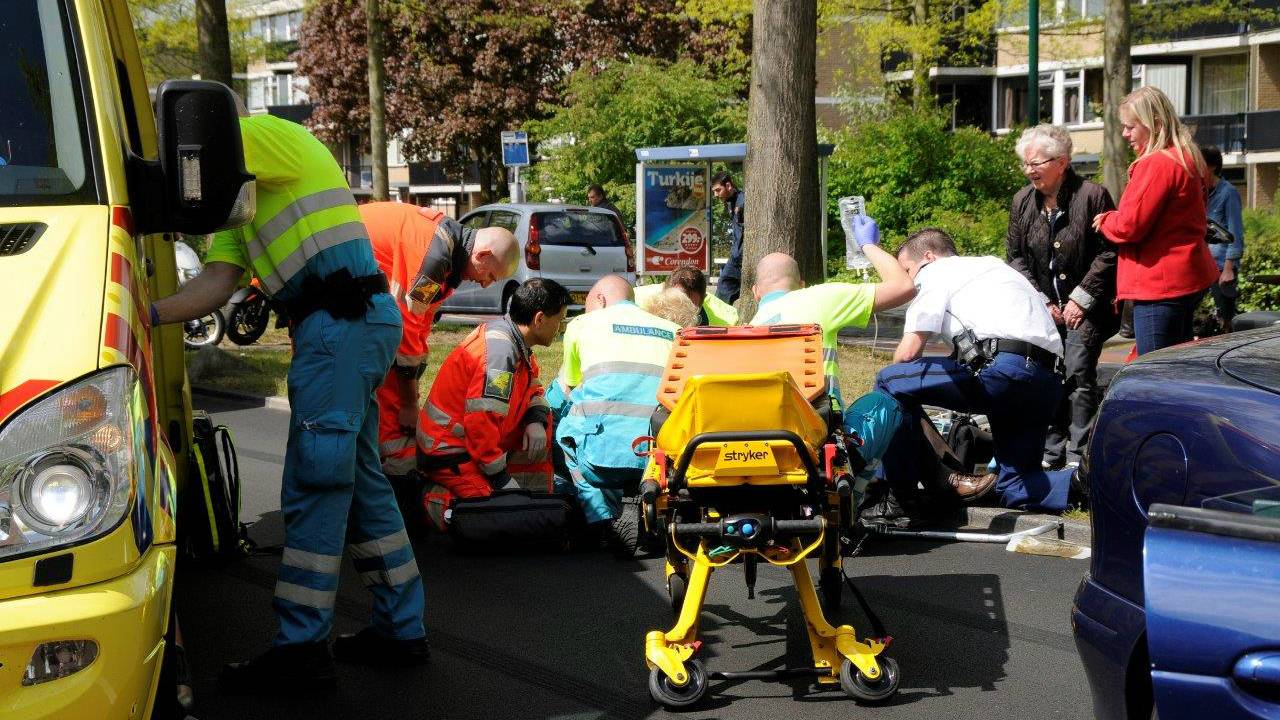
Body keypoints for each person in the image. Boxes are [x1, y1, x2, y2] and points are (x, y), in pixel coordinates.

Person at [151, 112, 427, 690]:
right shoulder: (238, 204)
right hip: (349, 324)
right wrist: (145, 315)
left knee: (316, 484)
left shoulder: (254, 135)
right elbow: (217, 283)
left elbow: (180, 179)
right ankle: (402, 630)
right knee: (362, 485)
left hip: (338, 323)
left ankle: (301, 650)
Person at [875, 229, 1073, 514]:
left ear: (929, 256)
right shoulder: (995, 267)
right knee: (1014, 485)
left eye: (907, 269)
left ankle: (897, 497)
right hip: (1046, 381)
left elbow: (907, 354)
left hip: (1001, 371)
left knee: (889, 381)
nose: (908, 280)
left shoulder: (935, 273)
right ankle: (1082, 482)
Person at [360, 202, 519, 481]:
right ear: (481, 255)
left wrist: (413, 378)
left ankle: (391, 471)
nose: (486, 285)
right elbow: (407, 330)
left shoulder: (446, 252)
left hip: (351, 291)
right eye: (491, 276)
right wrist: (409, 402)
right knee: (393, 396)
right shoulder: (434, 259)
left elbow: (419, 326)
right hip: (335, 295)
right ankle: (399, 476)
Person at [1006, 125, 1118, 470]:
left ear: (1062, 162)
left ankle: (1078, 457)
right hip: (1044, 307)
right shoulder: (1023, 201)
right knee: (1048, 375)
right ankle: (1050, 452)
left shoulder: (1092, 195)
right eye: (1025, 165)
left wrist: (1079, 300)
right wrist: (1043, 302)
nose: (1029, 171)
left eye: (1036, 163)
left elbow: (1109, 253)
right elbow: (1015, 257)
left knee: (1078, 373)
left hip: (1089, 308)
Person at [417, 279, 570, 529]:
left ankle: (526, 501)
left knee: (510, 511)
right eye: (560, 319)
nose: (561, 327)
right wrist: (501, 481)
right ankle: (429, 502)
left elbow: (534, 388)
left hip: (465, 447)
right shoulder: (500, 355)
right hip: (449, 451)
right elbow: (481, 424)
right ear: (540, 319)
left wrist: (535, 422)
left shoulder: (513, 342)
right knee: (494, 516)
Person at [551, 275, 681, 550]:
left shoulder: (582, 325)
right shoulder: (674, 329)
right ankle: (652, 513)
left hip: (601, 456)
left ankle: (603, 518)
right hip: (657, 452)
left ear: (599, 299)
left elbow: (571, 385)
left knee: (563, 432)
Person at [1093, 85, 1219, 355]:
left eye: (1131, 127)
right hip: (1186, 277)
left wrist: (1106, 220)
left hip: (1159, 283)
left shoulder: (1157, 164)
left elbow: (1130, 225)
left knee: (1153, 373)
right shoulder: (1187, 157)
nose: (1125, 134)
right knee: (1175, 366)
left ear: (1155, 124)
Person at [747, 215, 916, 413]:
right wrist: (868, 245)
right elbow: (903, 286)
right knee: (888, 400)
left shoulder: (747, 331)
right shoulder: (821, 297)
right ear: (802, 285)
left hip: (768, 431)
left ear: (755, 292)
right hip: (824, 428)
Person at [1203, 146, 1246, 333]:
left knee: (1225, 324)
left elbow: (1235, 232)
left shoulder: (1228, 193)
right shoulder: (1200, 193)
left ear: (1211, 166)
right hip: (1202, 265)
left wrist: (1229, 268)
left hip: (1221, 267)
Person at [633, 267, 738, 326]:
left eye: (691, 308)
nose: (682, 312)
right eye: (676, 303)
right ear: (664, 290)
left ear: (703, 299)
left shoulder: (727, 320)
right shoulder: (635, 301)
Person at [710, 171, 746, 304]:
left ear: (729, 185)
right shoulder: (730, 203)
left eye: (718, 190)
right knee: (724, 289)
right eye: (714, 191)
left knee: (724, 287)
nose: (716, 194)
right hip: (736, 256)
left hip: (742, 258)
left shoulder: (743, 201)